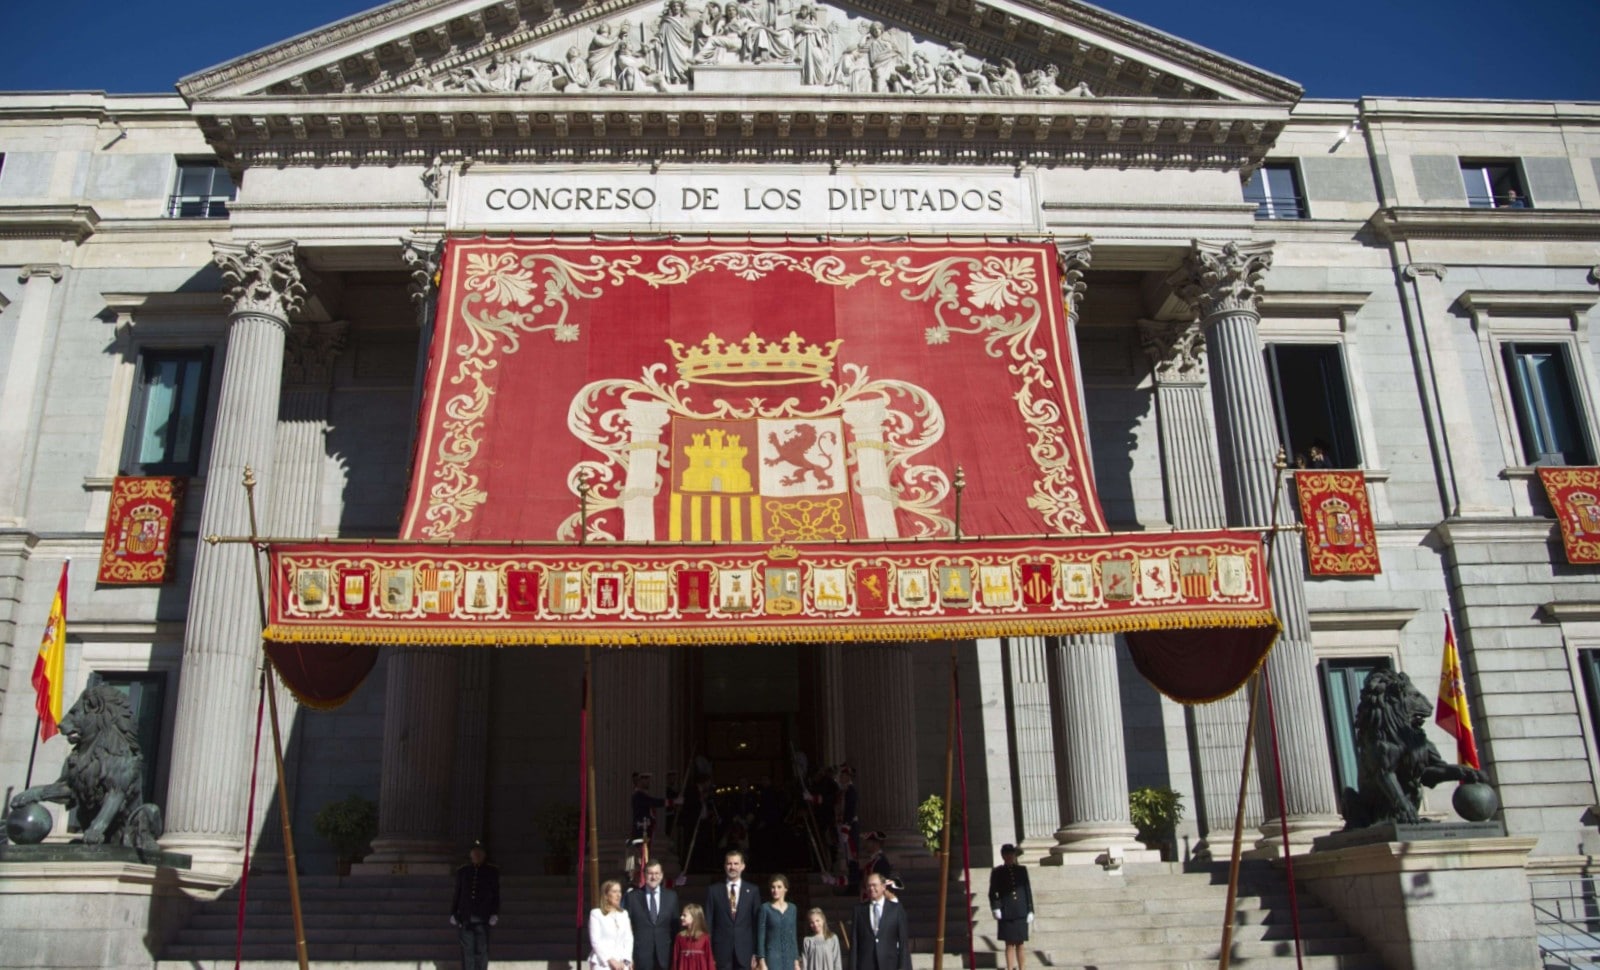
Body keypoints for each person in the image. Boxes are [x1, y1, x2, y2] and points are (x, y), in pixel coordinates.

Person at [706, 849, 760, 970]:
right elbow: (709, 922)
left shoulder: (752, 891)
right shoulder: (713, 890)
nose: (732, 867)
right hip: (721, 951)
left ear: (743, 866)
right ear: (725, 866)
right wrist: (709, 951)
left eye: (736, 864)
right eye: (729, 863)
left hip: (745, 951)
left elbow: (756, 923)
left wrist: (756, 952)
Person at [450, 840, 500, 970]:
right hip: (466, 917)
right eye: (474, 853)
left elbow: (495, 894)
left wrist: (494, 912)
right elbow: (458, 894)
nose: (477, 855)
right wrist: (453, 912)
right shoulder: (463, 871)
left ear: (484, 855)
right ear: (470, 855)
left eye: (479, 853)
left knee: (481, 951)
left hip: (483, 917)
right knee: (467, 951)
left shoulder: (491, 872)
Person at [627, 860, 681, 970]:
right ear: (644, 875)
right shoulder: (632, 897)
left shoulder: (672, 896)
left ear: (661, 876)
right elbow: (626, 927)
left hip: (665, 953)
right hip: (641, 954)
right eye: (650, 873)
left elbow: (676, 927)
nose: (653, 877)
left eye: (657, 873)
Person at [987, 844, 1035, 970]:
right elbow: (993, 892)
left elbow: (1027, 890)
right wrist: (995, 907)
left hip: (1020, 910)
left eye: (1011, 854)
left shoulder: (1022, 870)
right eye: (1007, 854)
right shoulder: (998, 872)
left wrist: (1030, 909)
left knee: (1020, 944)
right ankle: (1009, 968)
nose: (1009, 857)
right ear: (1003, 856)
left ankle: (1022, 968)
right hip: (1006, 911)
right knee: (1009, 944)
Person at [851, 874, 909, 970]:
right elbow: (854, 943)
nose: (871, 888)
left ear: (883, 887)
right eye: (868, 886)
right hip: (866, 965)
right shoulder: (859, 910)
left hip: (890, 965)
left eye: (874, 885)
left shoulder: (896, 909)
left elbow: (903, 943)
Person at [756, 874, 801, 970]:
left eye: (779, 887)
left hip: (789, 957)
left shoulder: (792, 909)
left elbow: (793, 936)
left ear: (785, 889)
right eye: (773, 887)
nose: (775, 890)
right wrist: (762, 961)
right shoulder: (765, 908)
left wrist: (796, 961)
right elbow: (761, 936)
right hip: (772, 957)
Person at [592, 879, 636, 970]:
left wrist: (627, 959)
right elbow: (596, 941)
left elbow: (628, 939)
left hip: (623, 963)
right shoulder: (596, 914)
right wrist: (610, 960)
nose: (618, 895)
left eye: (619, 891)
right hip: (603, 963)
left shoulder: (624, 914)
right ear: (606, 895)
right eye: (614, 891)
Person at [675, 903, 715, 970]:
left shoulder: (704, 937)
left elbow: (709, 958)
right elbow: (675, 959)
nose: (681, 917)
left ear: (694, 917)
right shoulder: (680, 937)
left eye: (684, 915)